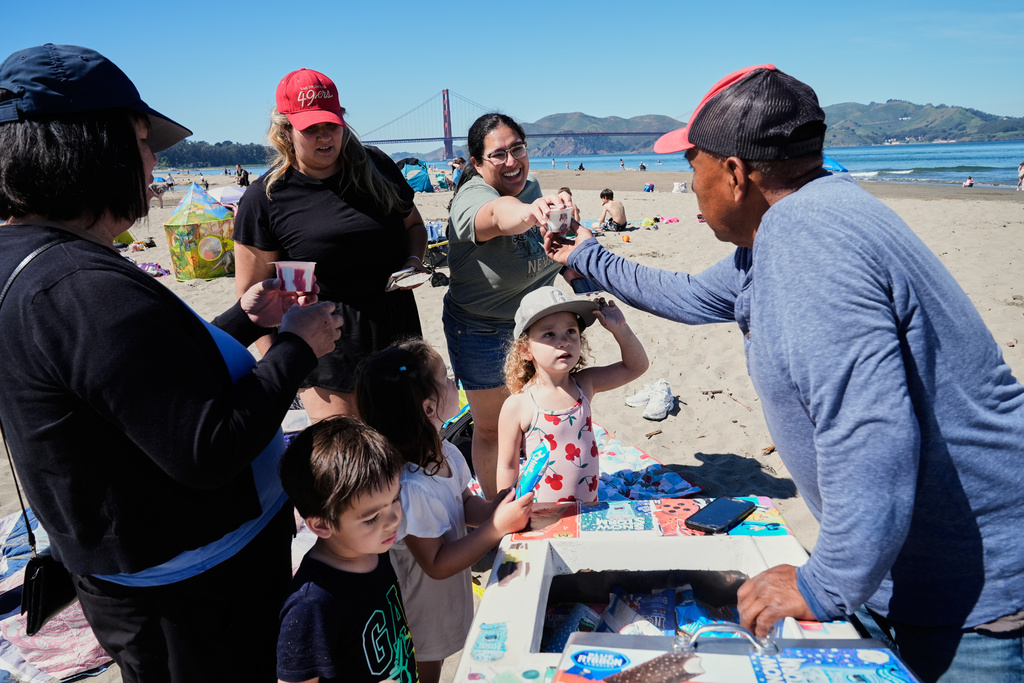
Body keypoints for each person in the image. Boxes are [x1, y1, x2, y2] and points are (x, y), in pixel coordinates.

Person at [544, 64, 1024, 682]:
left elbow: (872, 433)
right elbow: (691, 297)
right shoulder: (791, 226)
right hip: (909, 573)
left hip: (967, 597)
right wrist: (587, 255)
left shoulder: (807, 239)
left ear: (736, 173)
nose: (689, 184)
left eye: (693, 165)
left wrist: (826, 584)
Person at [0, 44, 344, 683]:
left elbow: (142, 383)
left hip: (149, 574)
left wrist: (247, 319)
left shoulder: (35, 259)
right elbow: (208, 448)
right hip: (193, 594)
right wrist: (298, 345)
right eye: (140, 141)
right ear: (88, 148)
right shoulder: (79, 286)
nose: (155, 161)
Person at [234, 68, 428, 422]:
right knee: (352, 471)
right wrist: (283, 366)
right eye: (311, 129)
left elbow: (414, 225)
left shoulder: (377, 167)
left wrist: (414, 261)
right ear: (285, 130)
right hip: (325, 355)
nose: (325, 137)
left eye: (332, 125)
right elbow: (251, 297)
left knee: (407, 462)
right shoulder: (264, 198)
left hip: (398, 337)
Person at [355, 339, 533, 683]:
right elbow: (435, 564)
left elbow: (463, 502)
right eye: (447, 378)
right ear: (428, 408)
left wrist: (496, 508)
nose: (456, 383)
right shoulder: (411, 488)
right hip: (419, 604)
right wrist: (495, 528)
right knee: (424, 667)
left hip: (444, 592)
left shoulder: (445, 450)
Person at [443, 112, 572, 499]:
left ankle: (534, 494)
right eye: (499, 155)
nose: (512, 161)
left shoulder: (531, 186)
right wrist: (530, 212)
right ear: (478, 163)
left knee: (534, 419)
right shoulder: (473, 199)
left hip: (535, 325)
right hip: (483, 330)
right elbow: (500, 216)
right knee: (493, 428)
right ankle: (499, 509)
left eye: (518, 148)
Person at [276, 416, 418, 683]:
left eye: (395, 499)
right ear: (321, 525)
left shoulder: (374, 549)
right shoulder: (312, 605)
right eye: (371, 518)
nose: (393, 520)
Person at [496, 287, 648, 502]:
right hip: (541, 513)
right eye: (549, 334)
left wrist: (620, 329)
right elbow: (506, 466)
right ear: (525, 350)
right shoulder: (519, 404)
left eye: (571, 331)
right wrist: (505, 510)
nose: (564, 341)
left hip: (588, 507)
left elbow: (636, 367)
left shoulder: (585, 384)